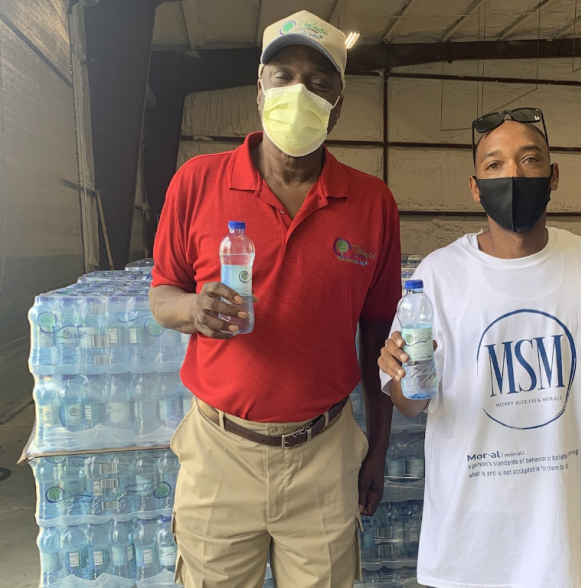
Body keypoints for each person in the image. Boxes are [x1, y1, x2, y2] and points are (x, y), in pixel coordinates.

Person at [149, 11, 401, 588]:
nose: (298, 92)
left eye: (318, 82)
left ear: (338, 104)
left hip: (324, 454)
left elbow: (377, 336)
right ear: (259, 89)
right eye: (283, 76)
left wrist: (379, 449)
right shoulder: (197, 182)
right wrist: (193, 310)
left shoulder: (371, 203)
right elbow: (162, 295)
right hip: (220, 452)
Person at [379, 108, 581, 588]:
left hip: (564, 543)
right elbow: (410, 405)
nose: (513, 174)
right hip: (468, 546)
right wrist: (402, 374)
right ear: (475, 186)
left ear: (553, 176)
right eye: (495, 164)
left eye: (529, 160)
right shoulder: (439, 276)